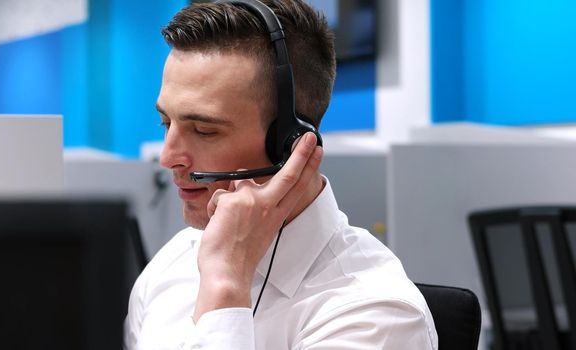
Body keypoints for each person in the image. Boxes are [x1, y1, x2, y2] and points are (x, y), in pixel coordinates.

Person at [124, 0, 438, 349]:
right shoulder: (174, 261)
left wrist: (226, 284)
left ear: (289, 146)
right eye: (166, 123)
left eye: (204, 130)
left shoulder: (376, 314)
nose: (168, 157)